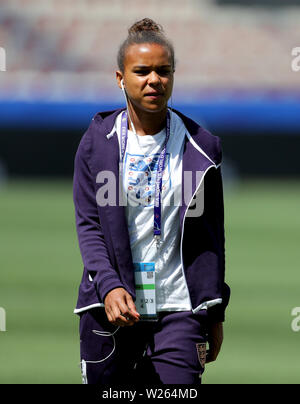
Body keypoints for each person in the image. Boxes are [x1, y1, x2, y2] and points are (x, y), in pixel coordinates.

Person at [73, 18, 230, 385]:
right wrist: (109, 285)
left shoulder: (201, 147)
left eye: (163, 70)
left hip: (181, 310)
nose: (153, 80)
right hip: (110, 309)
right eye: (141, 71)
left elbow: (211, 236)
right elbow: (89, 226)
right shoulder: (99, 143)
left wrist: (215, 309)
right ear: (120, 77)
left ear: (173, 75)